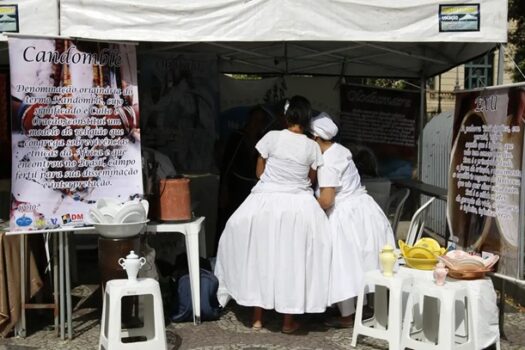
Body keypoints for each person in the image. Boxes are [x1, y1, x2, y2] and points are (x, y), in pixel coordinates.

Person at [214, 96, 331, 333]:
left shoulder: (271, 137)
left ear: (287, 117)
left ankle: (257, 318)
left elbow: (259, 172)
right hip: (298, 207)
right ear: (307, 119)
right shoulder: (311, 145)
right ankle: (288, 322)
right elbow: (311, 179)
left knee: (260, 257)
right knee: (293, 261)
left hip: (265, 204)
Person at [311, 112, 395, 327]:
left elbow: (327, 199)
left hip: (345, 215)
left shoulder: (326, 162)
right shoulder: (341, 150)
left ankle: (347, 316)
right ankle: (367, 306)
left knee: (342, 264)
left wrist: (307, 207)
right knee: (362, 261)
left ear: (315, 139)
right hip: (364, 210)